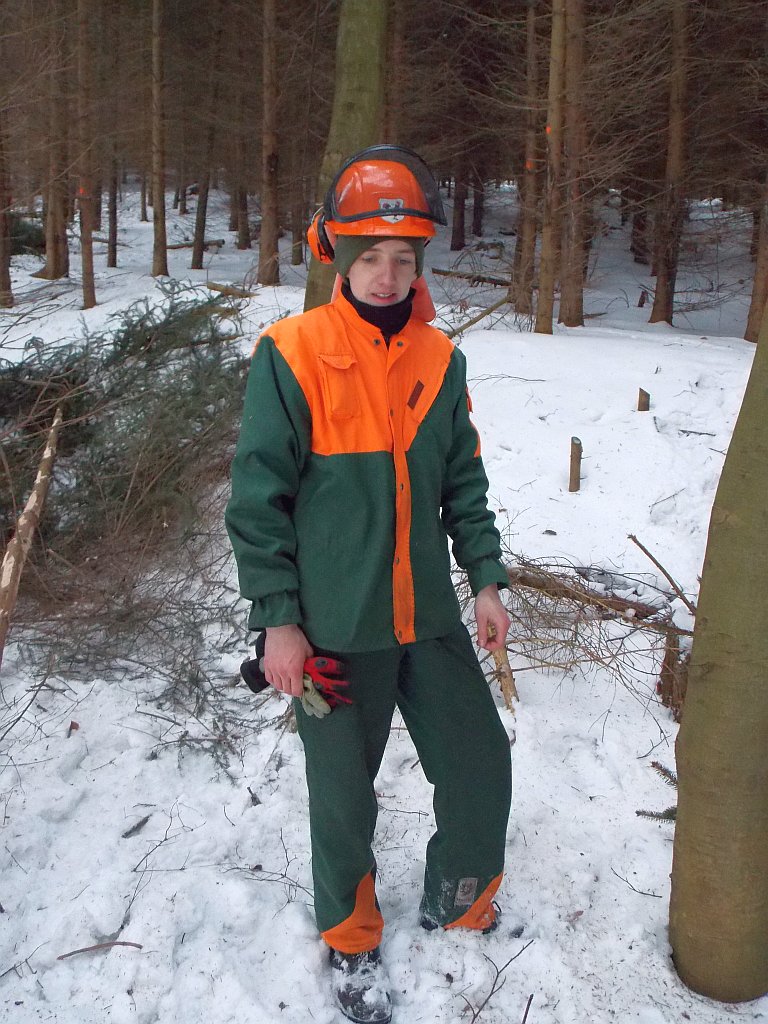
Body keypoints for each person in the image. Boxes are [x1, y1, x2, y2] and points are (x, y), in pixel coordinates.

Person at [226, 145, 513, 1024]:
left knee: (479, 761)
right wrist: (278, 622)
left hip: (426, 617)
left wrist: (486, 578)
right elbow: (258, 501)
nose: (387, 276)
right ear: (337, 257)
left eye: (403, 259)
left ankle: (459, 902)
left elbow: (462, 481)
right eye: (370, 258)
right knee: (343, 795)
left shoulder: (439, 358)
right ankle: (351, 939)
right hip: (335, 625)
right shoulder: (292, 353)